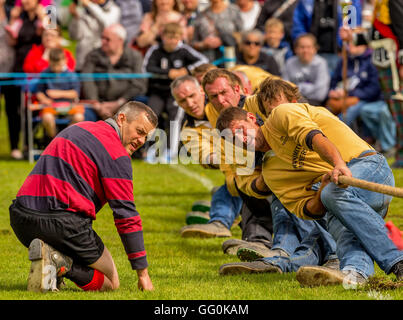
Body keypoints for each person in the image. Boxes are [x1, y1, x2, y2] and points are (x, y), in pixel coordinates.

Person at [215, 78, 403, 286]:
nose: (242, 139)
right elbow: (310, 211)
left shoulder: (281, 114)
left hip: (368, 166)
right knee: (338, 218)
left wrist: (338, 163)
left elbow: (314, 137)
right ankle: (355, 273)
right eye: (233, 140)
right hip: (344, 200)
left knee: (331, 195)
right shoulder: (271, 171)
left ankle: (396, 261)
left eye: (240, 130)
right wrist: (322, 188)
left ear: (251, 118)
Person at [9, 101, 157, 292]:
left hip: (21, 218)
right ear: (121, 119)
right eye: (139, 131)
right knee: (111, 284)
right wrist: (143, 274)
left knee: (62, 231)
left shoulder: (78, 128)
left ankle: (51, 266)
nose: (141, 141)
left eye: (146, 137)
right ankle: (61, 264)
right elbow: (126, 215)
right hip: (62, 223)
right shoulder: (117, 154)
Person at [142, 22, 208, 153]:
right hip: (158, 91)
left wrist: (186, 70)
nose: (172, 41)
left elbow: (203, 60)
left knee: (175, 118)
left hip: (177, 94)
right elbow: (146, 68)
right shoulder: (155, 50)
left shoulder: (184, 50)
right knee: (150, 116)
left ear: (180, 37)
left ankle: (170, 151)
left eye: (175, 38)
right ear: (163, 36)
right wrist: (168, 73)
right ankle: (146, 149)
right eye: (169, 37)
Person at [326, 41, 396, 156]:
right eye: (350, 43)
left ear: (364, 44)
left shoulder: (372, 60)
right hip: (345, 97)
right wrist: (333, 91)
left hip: (368, 99)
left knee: (349, 114)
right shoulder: (344, 60)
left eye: (356, 43)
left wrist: (351, 94)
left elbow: (374, 89)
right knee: (329, 110)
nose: (351, 46)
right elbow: (334, 80)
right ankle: (330, 141)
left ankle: (337, 144)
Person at [81, 23, 147, 120]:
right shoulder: (93, 55)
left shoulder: (135, 56)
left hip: (127, 103)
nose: (103, 41)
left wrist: (119, 103)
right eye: (102, 38)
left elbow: (139, 83)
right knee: (83, 117)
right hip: (98, 104)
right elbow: (87, 80)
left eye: (107, 39)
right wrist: (96, 104)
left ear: (120, 41)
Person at [4, 0, 43, 160]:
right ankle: (14, 146)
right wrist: (12, 21)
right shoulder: (19, 16)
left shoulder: (49, 11)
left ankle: (29, 144)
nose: (25, 1)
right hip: (18, 68)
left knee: (31, 108)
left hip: (38, 69)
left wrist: (43, 18)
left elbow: (54, 34)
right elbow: (12, 41)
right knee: (12, 109)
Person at [291, 0, 362, 74]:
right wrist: (305, 46)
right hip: (311, 54)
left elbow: (354, 25)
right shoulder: (306, 2)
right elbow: (298, 25)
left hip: (338, 53)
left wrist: (347, 42)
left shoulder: (349, 1)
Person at [34, 48, 83, 139]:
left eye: (59, 65)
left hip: (69, 106)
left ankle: (64, 139)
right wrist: (44, 99)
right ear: (49, 62)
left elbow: (75, 93)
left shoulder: (71, 75)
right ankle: (54, 139)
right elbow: (39, 92)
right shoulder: (45, 73)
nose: (56, 68)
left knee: (79, 117)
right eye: (53, 66)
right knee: (47, 118)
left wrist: (58, 94)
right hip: (51, 106)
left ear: (65, 60)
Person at [68, 0, 121, 71]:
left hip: (101, 63)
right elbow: (75, 36)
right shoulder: (83, 9)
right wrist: (75, 17)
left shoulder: (114, 9)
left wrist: (90, 5)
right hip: (82, 61)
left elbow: (107, 25)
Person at [282, 33, 330, 106]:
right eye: (302, 47)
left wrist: (297, 88)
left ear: (315, 49)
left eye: (309, 47)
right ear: (296, 49)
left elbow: (320, 95)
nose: (305, 50)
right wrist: (311, 88)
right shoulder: (289, 63)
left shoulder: (321, 64)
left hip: (314, 105)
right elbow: (284, 89)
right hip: (292, 103)